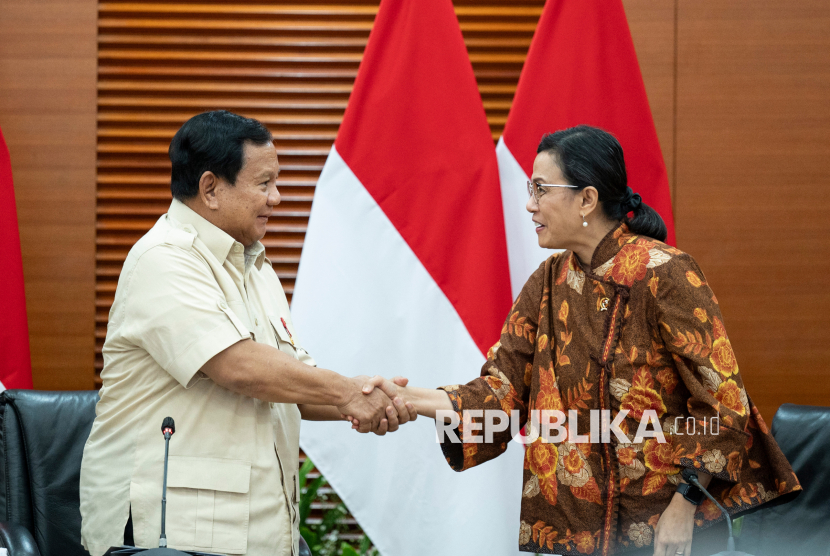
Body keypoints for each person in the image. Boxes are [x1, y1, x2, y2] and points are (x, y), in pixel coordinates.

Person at [354, 126, 801, 556]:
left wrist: (684, 505)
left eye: (541, 189)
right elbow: (502, 393)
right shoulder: (546, 283)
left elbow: (725, 405)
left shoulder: (667, 272)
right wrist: (409, 399)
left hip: (665, 530)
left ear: (587, 198)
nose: (529, 205)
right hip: (577, 532)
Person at [79, 110, 416, 556]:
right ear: (210, 188)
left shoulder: (253, 265)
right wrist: (347, 392)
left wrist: (383, 400)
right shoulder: (162, 259)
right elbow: (237, 365)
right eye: (264, 183)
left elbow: (292, 380)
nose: (277, 198)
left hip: (249, 533)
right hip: (170, 535)